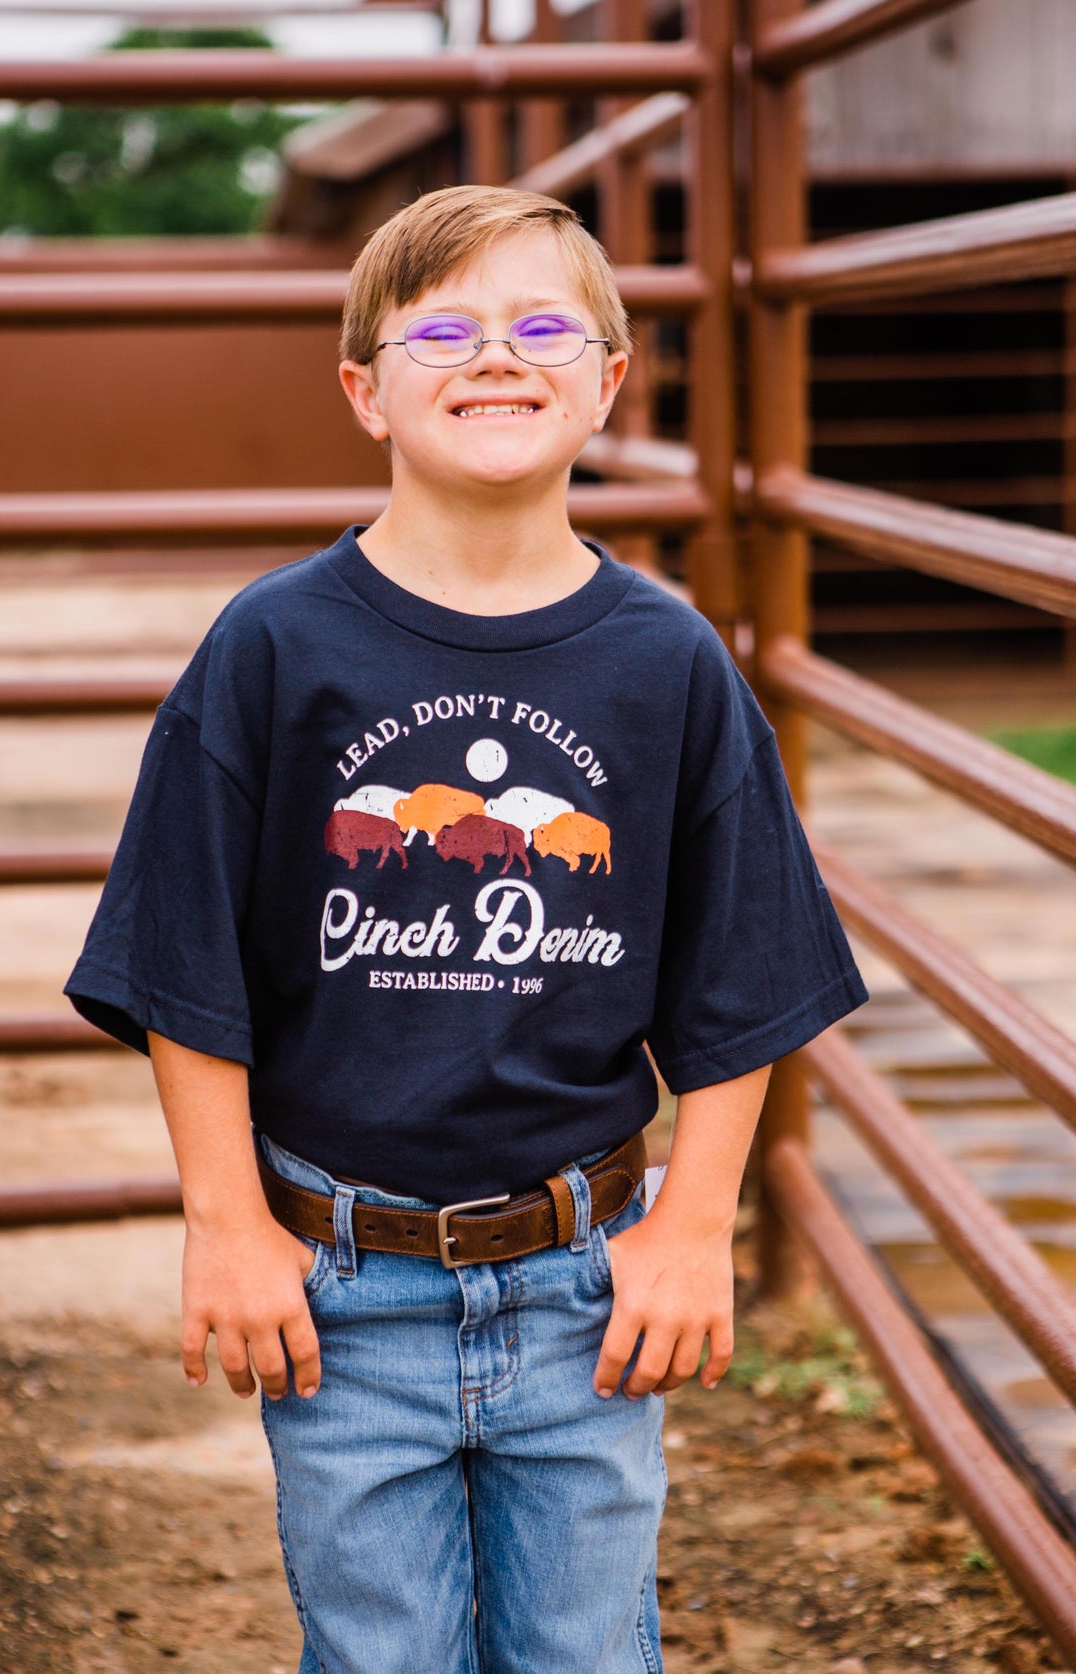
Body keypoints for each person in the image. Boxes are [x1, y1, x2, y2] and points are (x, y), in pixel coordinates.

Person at [65, 183, 868, 1673]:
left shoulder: (668, 662)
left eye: (543, 324)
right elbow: (183, 962)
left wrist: (692, 1231)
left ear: (610, 380)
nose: (496, 355)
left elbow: (745, 970)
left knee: (586, 1647)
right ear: (366, 389)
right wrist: (228, 1222)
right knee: (381, 1653)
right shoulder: (273, 646)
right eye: (444, 328)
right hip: (342, 1284)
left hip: (584, 1282)